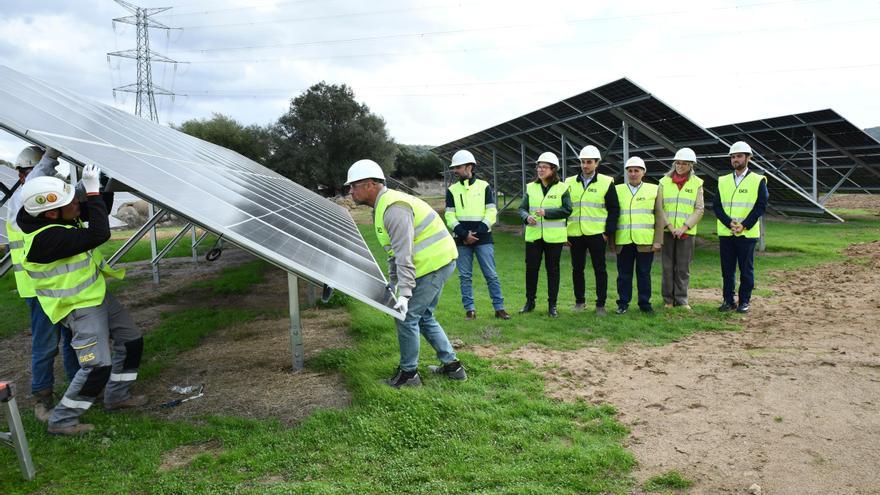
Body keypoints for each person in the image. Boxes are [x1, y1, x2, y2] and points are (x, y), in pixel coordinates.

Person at [18, 167, 146, 436]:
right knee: (97, 365)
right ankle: (62, 420)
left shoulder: (55, 218)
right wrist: (91, 190)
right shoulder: (45, 238)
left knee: (132, 340)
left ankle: (117, 396)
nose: (78, 204)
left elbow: (95, 212)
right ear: (51, 212)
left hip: (96, 295)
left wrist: (101, 186)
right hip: (77, 306)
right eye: (72, 203)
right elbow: (99, 233)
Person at [345, 159, 466, 388]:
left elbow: (404, 254)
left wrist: (405, 294)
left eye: (354, 185)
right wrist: (393, 283)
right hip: (438, 260)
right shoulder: (383, 206)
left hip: (434, 263)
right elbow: (393, 251)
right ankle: (453, 367)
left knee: (407, 317)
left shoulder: (393, 209)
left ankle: (409, 375)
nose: (350, 191)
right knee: (425, 317)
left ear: (370, 184)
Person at [4, 146, 79, 421]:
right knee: (46, 344)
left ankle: (77, 391)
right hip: (38, 290)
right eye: (28, 173)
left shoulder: (49, 201)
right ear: (24, 176)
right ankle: (42, 400)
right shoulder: (20, 204)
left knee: (73, 340)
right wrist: (49, 159)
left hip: (62, 285)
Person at [444, 150, 510, 321]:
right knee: (465, 276)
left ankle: (499, 308)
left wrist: (478, 232)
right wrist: (464, 234)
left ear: (469, 167)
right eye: (454, 167)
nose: (455, 170)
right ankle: (470, 311)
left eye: (458, 167)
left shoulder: (484, 186)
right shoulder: (452, 190)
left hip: (483, 238)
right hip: (461, 239)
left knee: (491, 274)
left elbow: (491, 211)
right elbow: (449, 215)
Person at [713, 141, 768, 314]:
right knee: (727, 271)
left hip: (747, 234)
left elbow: (761, 206)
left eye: (739, 156)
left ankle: (744, 301)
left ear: (748, 158)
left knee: (746, 270)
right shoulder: (722, 181)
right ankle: (728, 301)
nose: (735, 159)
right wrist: (728, 223)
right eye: (733, 157)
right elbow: (717, 206)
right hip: (726, 232)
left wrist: (744, 225)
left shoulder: (758, 180)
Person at [564, 145, 619, 316]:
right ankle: (580, 302)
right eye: (582, 162)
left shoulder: (606, 182)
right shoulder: (569, 183)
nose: (585, 165)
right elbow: (564, 208)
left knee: (599, 269)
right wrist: (564, 232)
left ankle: (600, 304)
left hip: (597, 234)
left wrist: (607, 233)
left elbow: (614, 209)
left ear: (596, 163)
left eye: (589, 162)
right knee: (577, 269)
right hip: (575, 234)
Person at [518, 152, 572, 318]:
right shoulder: (531, 187)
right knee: (531, 270)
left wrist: (547, 212)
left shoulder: (562, 188)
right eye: (538, 166)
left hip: (554, 238)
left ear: (553, 169)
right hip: (534, 237)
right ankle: (530, 302)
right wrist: (526, 217)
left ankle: (552, 305)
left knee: (553, 271)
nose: (540, 170)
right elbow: (522, 208)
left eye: (544, 167)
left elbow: (567, 210)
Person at [614, 156, 664, 314]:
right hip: (623, 239)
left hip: (645, 240)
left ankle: (644, 303)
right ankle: (623, 303)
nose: (633, 173)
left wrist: (658, 241)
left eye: (637, 170)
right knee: (623, 275)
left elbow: (659, 215)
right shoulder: (617, 189)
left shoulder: (654, 189)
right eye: (630, 171)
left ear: (643, 172)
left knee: (643, 273)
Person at [659, 148, 704, 310]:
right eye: (678, 163)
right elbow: (660, 207)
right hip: (667, 231)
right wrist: (670, 226)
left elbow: (699, 209)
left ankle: (682, 299)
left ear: (691, 165)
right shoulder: (663, 182)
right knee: (667, 266)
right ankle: (668, 300)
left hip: (686, 232)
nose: (680, 166)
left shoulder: (697, 183)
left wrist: (684, 227)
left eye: (684, 164)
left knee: (683, 267)